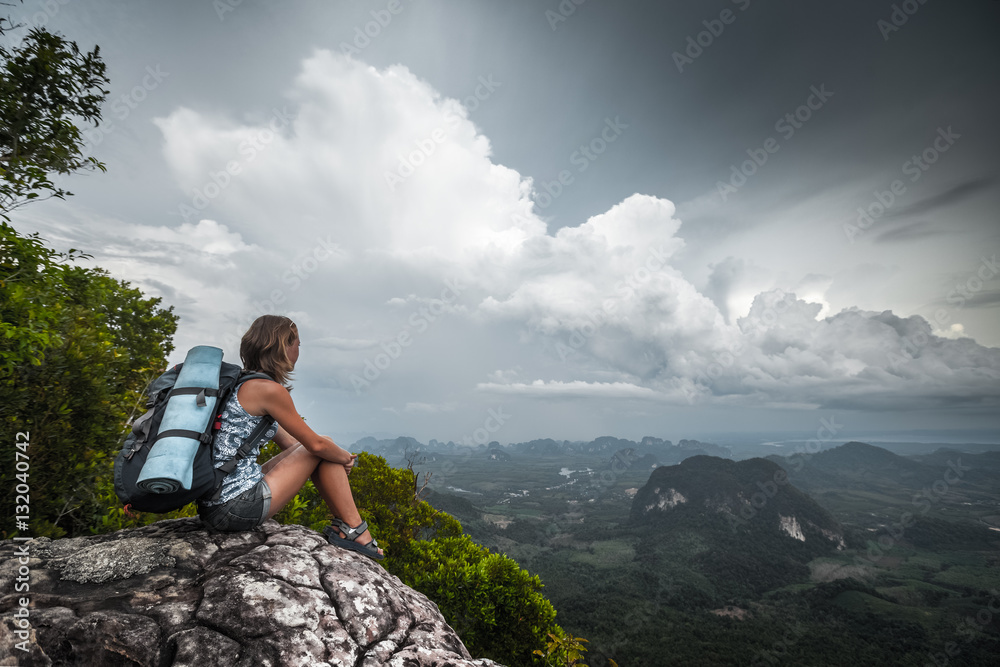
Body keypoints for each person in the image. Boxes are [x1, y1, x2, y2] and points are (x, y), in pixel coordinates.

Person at [197, 314, 384, 560]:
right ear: (284, 346)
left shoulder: (238, 384)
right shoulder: (270, 391)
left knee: (321, 450)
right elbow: (314, 445)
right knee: (322, 444)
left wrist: (331, 457)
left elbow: (292, 446)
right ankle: (357, 532)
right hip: (236, 508)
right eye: (297, 344)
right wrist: (344, 458)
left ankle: (349, 528)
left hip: (213, 504)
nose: (298, 350)